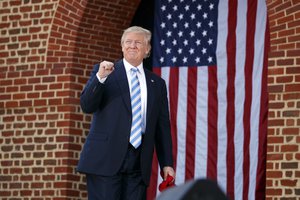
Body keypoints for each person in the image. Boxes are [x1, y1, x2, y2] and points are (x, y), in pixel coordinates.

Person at [77, 26, 175, 200]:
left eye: (138, 42)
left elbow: (162, 127)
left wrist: (166, 163)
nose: (132, 46)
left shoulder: (157, 83)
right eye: (128, 42)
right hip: (105, 161)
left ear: (147, 49)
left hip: (139, 163)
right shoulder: (106, 73)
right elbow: (87, 106)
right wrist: (100, 78)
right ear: (122, 47)